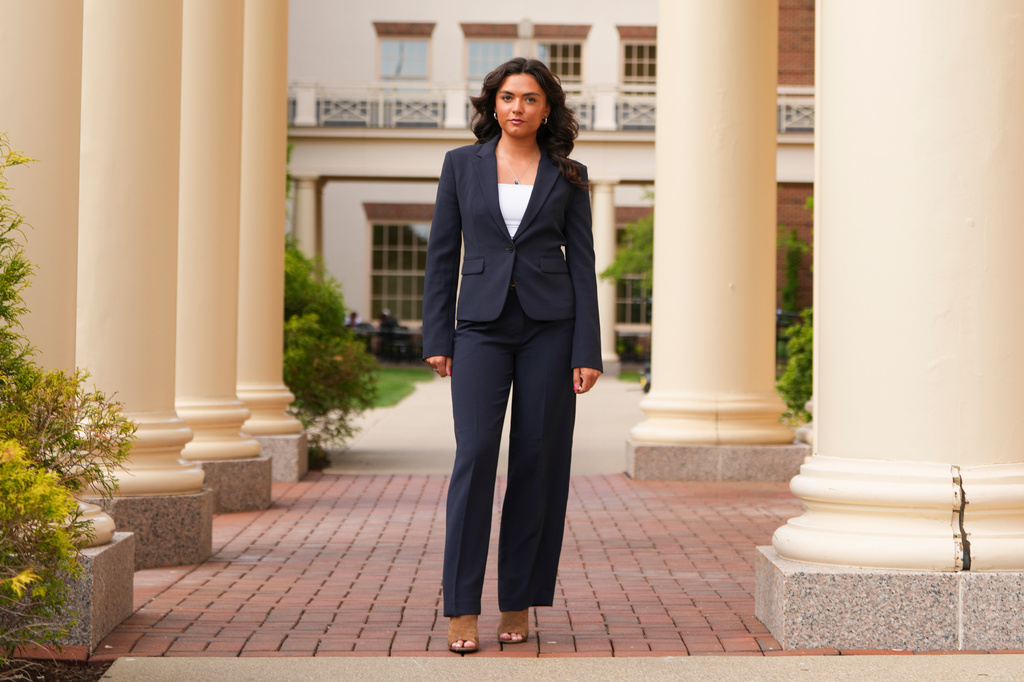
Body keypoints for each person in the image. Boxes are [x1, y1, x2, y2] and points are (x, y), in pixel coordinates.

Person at [421, 57, 602, 654]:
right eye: (507, 97)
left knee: (536, 461)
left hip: (551, 329)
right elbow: (442, 254)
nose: (517, 107)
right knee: (475, 457)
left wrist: (587, 348)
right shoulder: (460, 165)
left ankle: (518, 599)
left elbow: (582, 265)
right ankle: (461, 607)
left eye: (529, 98)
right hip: (480, 327)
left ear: (547, 109)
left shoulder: (569, 174)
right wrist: (437, 336)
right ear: (492, 105)